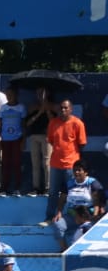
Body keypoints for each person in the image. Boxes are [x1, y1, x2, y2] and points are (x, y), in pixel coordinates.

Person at [41, 100, 87, 228]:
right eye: (61, 108)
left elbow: (82, 143)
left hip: (71, 165)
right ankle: (49, 217)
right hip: (55, 164)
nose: (63, 110)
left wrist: (71, 155)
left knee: (73, 193)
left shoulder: (78, 123)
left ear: (71, 109)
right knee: (53, 192)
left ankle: (77, 219)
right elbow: (50, 140)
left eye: (66, 108)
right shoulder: (53, 123)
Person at [51, 160, 104, 246]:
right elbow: (62, 199)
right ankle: (64, 249)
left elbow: (97, 201)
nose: (76, 172)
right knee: (58, 224)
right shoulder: (69, 184)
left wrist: (94, 215)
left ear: (86, 172)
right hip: (72, 215)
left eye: (79, 170)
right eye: (75, 170)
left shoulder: (92, 183)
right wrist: (59, 212)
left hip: (87, 215)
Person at [24, 86, 57, 196]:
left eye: (42, 92)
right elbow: (28, 123)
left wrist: (46, 109)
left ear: (47, 93)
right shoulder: (33, 107)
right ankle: (36, 187)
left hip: (47, 136)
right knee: (35, 162)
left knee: (47, 162)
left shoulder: (53, 106)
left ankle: (48, 188)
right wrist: (39, 112)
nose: (40, 95)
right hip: (34, 136)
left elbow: (54, 121)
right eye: (38, 93)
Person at [0, 86, 26, 197]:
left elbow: (24, 125)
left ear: (16, 95)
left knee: (16, 164)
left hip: (17, 139)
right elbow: (0, 124)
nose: (9, 97)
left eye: (11, 94)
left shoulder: (21, 107)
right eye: (7, 94)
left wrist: (23, 140)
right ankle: (4, 188)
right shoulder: (3, 108)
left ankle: (17, 188)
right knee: (5, 164)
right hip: (5, 140)